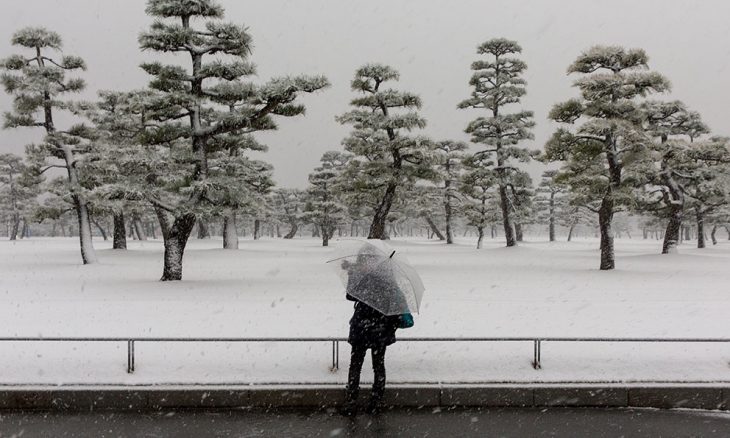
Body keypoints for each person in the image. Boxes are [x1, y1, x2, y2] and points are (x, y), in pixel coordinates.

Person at [341, 256, 401, 416]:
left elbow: (350, 295)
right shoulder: (388, 280)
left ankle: (352, 402)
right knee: (377, 366)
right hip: (379, 331)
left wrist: (353, 274)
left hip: (363, 330)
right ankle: (375, 402)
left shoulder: (367, 279)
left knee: (357, 365)